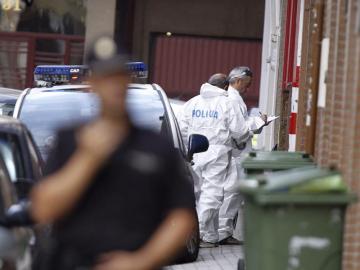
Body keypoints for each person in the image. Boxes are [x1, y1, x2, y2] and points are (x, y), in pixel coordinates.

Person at [30, 36, 196, 270]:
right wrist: (87, 159)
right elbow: (43, 209)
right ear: (92, 84)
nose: (115, 85)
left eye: (119, 76)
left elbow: (182, 217)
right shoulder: (69, 140)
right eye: (106, 77)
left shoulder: (156, 146)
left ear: (128, 80)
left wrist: (141, 262)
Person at [178, 73, 249, 248]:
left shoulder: (193, 102)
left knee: (199, 194)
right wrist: (252, 128)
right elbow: (240, 131)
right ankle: (198, 233)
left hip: (194, 152)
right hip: (217, 153)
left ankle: (209, 236)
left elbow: (182, 129)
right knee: (212, 195)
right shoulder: (227, 103)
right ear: (225, 87)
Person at [217, 66, 267, 245]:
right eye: (247, 84)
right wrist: (259, 121)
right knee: (231, 192)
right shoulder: (232, 99)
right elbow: (239, 130)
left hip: (235, 152)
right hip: (235, 153)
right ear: (238, 81)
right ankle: (222, 232)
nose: (248, 88)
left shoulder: (233, 98)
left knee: (231, 192)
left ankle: (223, 231)